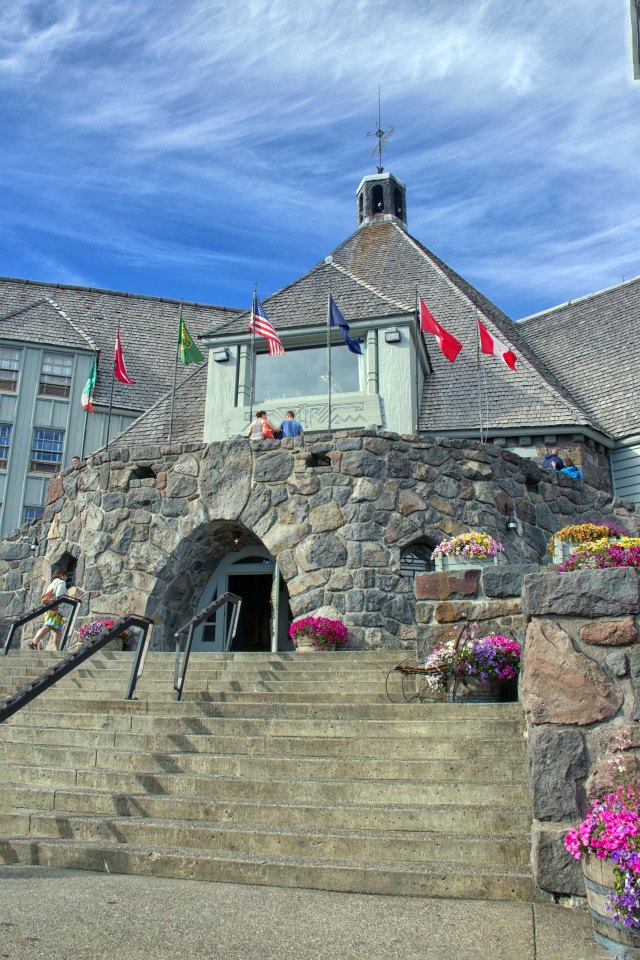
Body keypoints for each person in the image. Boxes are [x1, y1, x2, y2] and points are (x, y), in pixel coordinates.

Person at [29, 568, 68, 651]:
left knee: (57, 631)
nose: (66, 577)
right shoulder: (61, 583)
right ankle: (34, 642)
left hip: (49, 608)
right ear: (62, 575)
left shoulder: (52, 584)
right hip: (56, 609)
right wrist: (60, 609)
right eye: (66, 575)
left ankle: (57, 650)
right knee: (48, 626)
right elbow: (59, 596)